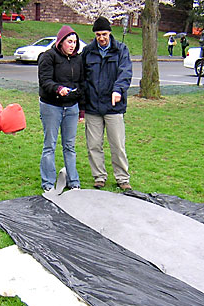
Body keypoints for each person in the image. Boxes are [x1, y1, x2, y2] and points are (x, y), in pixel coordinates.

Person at [81, 16, 132, 191]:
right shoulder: (88, 52)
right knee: (94, 145)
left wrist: (118, 90)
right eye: (98, 35)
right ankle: (99, 176)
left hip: (114, 107)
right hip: (92, 107)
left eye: (104, 34)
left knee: (117, 144)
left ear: (109, 33)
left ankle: (122, 178)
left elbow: (125, 73)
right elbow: (81, 77)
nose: (101, 38)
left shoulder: (121, 50)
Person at [38, 25, 85, 192]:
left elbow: (81, 84)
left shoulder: (78, 59)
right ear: (61, 42)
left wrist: (81, 110)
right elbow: (45, 80)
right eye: (69, 41)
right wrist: (58, 89)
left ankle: (74, 182)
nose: (72, 45)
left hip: (71, 107)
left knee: (69, 146)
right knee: (50, 144)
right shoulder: (48, 57)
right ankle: (48, 184)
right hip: (51, 106)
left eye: (74, 42)